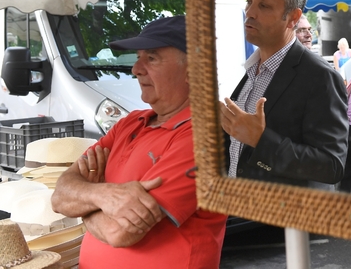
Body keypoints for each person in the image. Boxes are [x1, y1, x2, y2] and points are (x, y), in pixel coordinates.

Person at [51, 15, 227, 269]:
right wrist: (106, 195)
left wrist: (83, 204)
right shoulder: (130, 122)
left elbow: (119, 232)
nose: (136, 69)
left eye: (152, 58)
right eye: (138, 57)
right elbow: (59, 197)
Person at [219, 0, 348, 187]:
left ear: (293, 17)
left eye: (264, 6)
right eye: (249, 2)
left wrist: (261, 140)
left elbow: (332, 166)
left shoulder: (320, 77)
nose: (249, 13)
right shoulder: (252, 69)